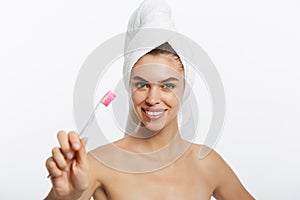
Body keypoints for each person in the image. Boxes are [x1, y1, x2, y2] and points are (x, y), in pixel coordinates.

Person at [45, 1, 255, 200]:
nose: (152, 99)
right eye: (142, 84)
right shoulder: (97, 164)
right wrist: (62, 198)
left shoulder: (208, 164)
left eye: (167, 86)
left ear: (185, 89)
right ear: (130, 86)